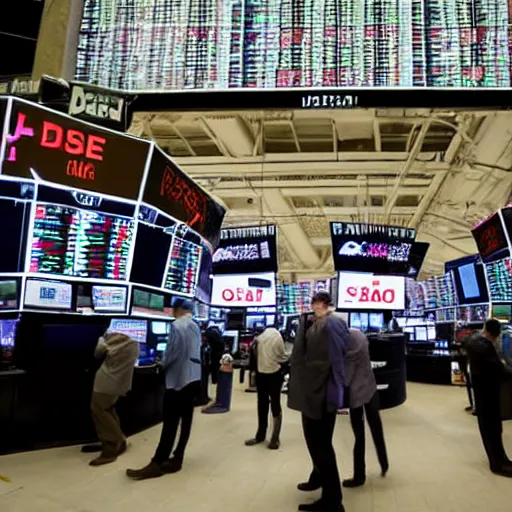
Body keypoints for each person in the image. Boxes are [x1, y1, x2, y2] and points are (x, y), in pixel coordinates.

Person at [126, 299, 201, 480]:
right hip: (194, 378)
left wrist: (162, 362)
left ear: (178, 310)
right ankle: (177, 459)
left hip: (178, 381)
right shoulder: (195, 326)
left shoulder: (177, 325)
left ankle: (157, 463)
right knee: (186, 420)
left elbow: (173, 353)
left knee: (170, 421)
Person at [288, 291, 349, 512]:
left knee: (321, 446)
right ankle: (318, 478)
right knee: (317, 443)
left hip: (320, 395)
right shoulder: (324, 323)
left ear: (321, 303)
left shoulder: (329, 325)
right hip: (317, 393)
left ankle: (333, 500)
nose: (312, 308)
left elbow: (334, 363)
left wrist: (336, 396)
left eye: (314, 303)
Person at [82, 331, 139, 466]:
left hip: (105, 383)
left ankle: (111, 445)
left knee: (99, 411)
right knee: (108, 409)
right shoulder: (134, 345)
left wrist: (101, 338)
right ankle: (119, 440)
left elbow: (98, 352)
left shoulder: (110, 343)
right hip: (120, 384)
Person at [342, 328, 388, 488]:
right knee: (376, 427)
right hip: (371, 388)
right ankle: (384, 463)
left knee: (359, 436)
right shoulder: (359, 335)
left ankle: (359, 476)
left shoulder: (347, 352)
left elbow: (346, 379)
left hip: (357, 395)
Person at [466, 319, 512, 477]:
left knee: (489, 429)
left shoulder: (474, 341)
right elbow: (499, 370)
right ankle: (498, 464)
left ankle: (501, 459)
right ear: (494, 334)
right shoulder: (485, 347)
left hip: (481, 392)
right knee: (493, 429)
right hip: (488, 393)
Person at [245, 326, 288, 450]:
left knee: (262, 404)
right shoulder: (277, 336)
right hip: (274, 375)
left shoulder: (258, 339)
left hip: (260, 374)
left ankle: (260, 435)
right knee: (275, 403)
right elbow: (282, 356)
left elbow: (252, 358)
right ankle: (275, 438)